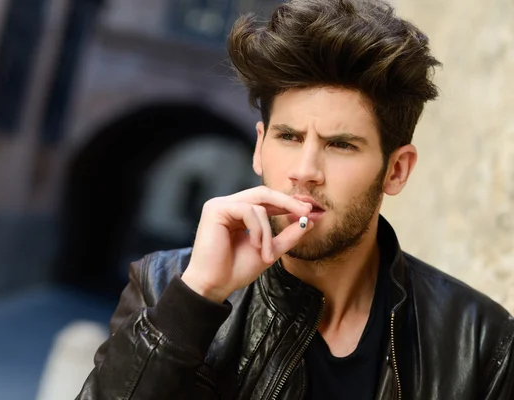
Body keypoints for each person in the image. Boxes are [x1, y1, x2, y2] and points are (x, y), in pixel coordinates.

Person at [77, 0, 514, 398]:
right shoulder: (163, 286)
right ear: (259, 147)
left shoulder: (480, 343)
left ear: (396, 170)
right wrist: (198, 297)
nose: (305, 170)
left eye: (341, 144)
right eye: (288, 137)